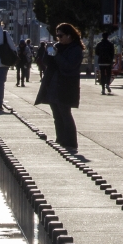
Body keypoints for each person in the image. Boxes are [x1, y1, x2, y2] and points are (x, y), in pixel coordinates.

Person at [35, 22, 84, 151]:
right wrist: (48, 52)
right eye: (57, 36)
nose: (59, 38)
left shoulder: (76, 49)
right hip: (53, 85)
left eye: (61, 36)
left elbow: (69, 66)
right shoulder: (58, 47)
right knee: (56, 115)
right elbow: (47, 63)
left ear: (69, 35)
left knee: (65, 113)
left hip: (67, 86)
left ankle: (71, 143)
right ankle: (60, 140)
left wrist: (56, 55)